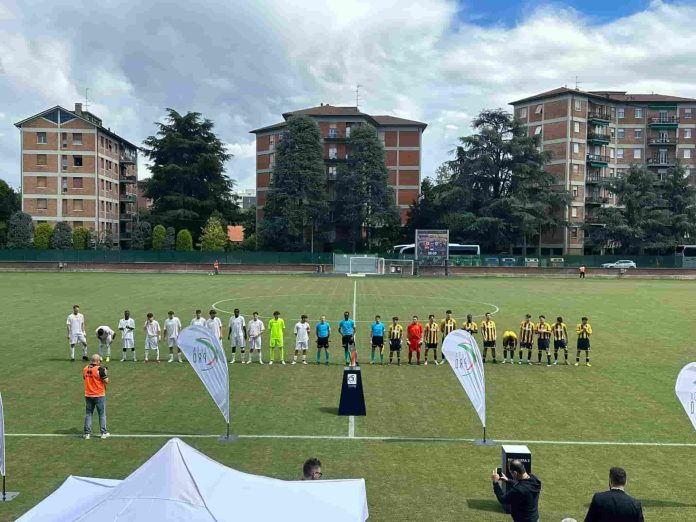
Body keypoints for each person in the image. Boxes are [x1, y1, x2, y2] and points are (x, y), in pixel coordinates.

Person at [83, 354, 110, 440]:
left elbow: (85, 378)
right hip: (99, 395)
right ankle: (103, 432)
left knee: (88, 414)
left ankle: (87, 433)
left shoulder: (85, 368)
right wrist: (105, 372)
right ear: (97, 361)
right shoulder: (100, 369)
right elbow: (106, 381)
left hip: (88, 394)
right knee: (101, 414)